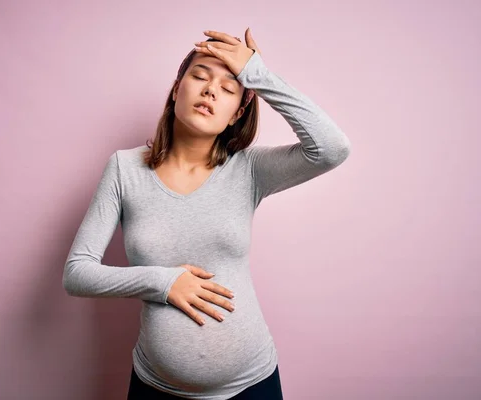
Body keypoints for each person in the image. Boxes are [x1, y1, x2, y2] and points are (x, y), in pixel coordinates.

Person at [63, 28, 351, 400]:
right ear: (176, 88)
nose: (211, 90)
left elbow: (332, 149)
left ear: (237, 114)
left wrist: (257, 75)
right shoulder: (124, 169)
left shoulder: (249, 170)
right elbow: (77, 273)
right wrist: (162, 282)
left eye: (229, 88)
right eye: (199, 76)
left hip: (253, 384)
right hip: (156, 387)